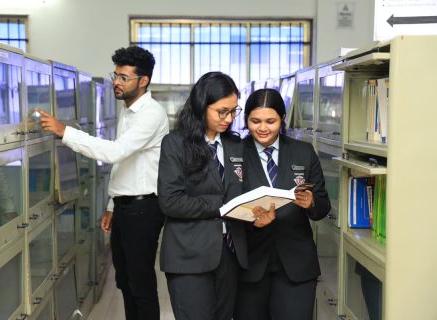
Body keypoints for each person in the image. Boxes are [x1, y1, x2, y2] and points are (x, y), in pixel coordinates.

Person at [38, 46, 169, 320]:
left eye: (124, 77)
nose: (116, 83)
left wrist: (65, 132)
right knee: (125, 282)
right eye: (115, 76)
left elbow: (114, 153)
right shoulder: (129, 110)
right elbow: (126, 163)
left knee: (140, 285)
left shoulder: (150, 113)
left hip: (144, 210)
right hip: (127, 206)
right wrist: (113, 204)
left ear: (143, 81)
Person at [157, 71, 273, 320]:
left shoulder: (235, 146)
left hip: (229, 254)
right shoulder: (175, 144)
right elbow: (171, 201)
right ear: (201, 106)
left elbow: (243, 194)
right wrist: (222, 205)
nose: (229, 118)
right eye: (222, 111)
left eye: (233, 111)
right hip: (189, 256)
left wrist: (257, 213)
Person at [234, 88, 331, 320]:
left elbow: (323, 205)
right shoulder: (236, 153)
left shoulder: (303, 152)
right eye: (255, 121)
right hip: (249, 264)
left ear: (283, 119)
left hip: (296, 263)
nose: (263, 128)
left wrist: (311, 203)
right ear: (246, 120)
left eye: (271, 121)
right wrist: (251, 221)